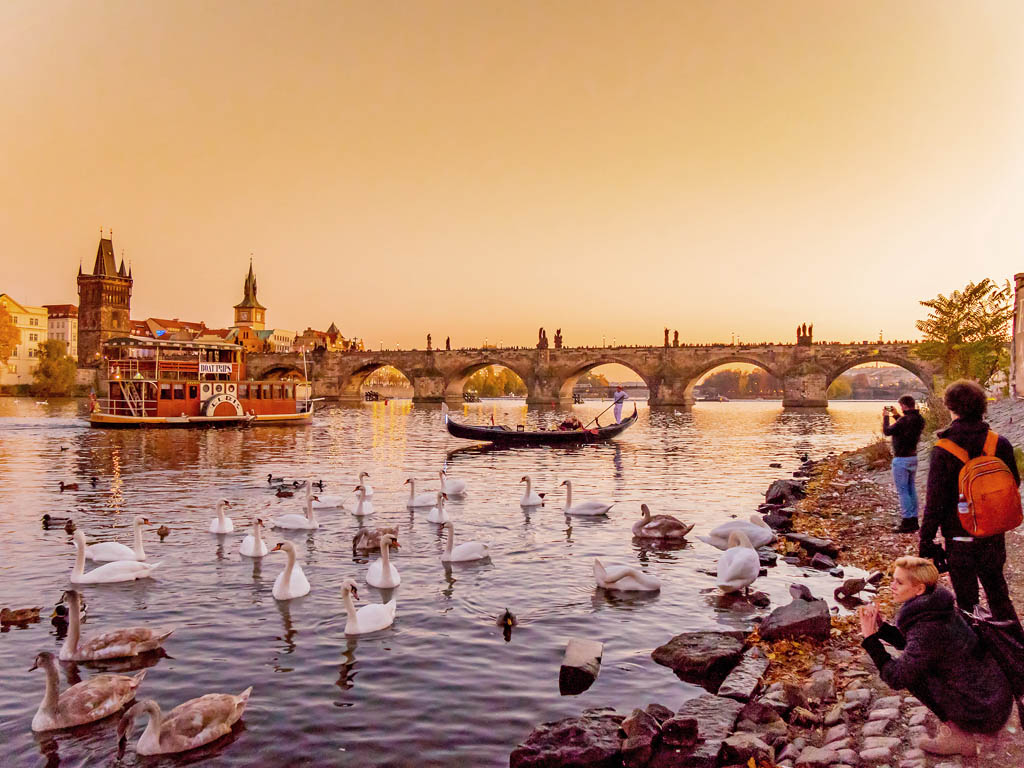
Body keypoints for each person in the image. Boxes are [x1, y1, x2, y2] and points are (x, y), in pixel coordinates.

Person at [858, 556, 1013, 756]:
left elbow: (896, 677)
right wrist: (882, 628)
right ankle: (961, 730)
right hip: (993, 702)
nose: (892, 586)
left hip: (983, 712)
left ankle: (958, 736)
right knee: (916, 663)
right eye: (892, 579)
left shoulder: (927, 627)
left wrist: (870, 640)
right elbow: (920, 646)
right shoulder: (937, 607)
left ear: (919, 589)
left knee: (910, 672)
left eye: (899, 582)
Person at [920, 379, 1021, 625]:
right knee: (998, 593)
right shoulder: (999, 442)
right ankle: (1015, 649)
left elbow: (935, 501)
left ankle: (978, 652)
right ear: (981, 406)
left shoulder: (943, 448)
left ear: (950, 407)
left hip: (959, 535)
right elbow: (1013, 483)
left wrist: (926, 539)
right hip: (992, 532)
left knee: (967, 601)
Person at [882, 395, 925, 533]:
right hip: (913, 457)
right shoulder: (919, 419)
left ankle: (907, 521)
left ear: (905, 406)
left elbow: (887, 431)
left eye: (901, 406)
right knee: (911, 489)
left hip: (901, 459)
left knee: (903, 491)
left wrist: (886, 417)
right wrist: (896, 415)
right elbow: (905, 426)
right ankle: (914, 520)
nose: (900, 408)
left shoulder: (904, 421)